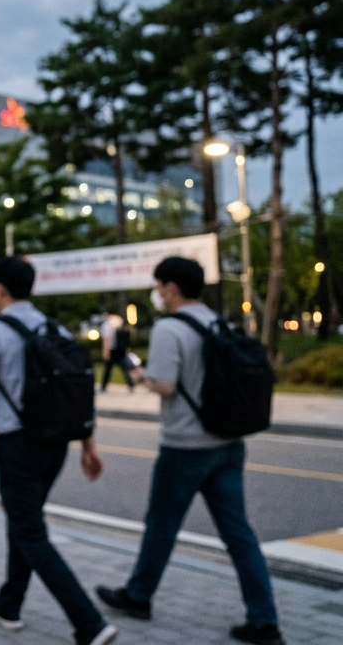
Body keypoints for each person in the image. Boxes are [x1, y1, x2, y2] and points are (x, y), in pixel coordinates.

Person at [96, 257, 283, 645]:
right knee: (239, 534)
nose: (158, 292)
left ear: (172, 288)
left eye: (160, 285)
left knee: (162, 526)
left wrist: (139, 374)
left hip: (185, 446)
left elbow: (164, 384)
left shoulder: (170, 327)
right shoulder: (216, 321)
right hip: (228, 443)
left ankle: (138, 596)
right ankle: (265, 621)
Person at [0, 257, 117, 645]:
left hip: (18, 445)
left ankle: (89, 624)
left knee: (29, 530)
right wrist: (89, 444)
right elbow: (77, 392)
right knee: (25, 523)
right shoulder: (53, 328)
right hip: (56, 444)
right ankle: (9, 604)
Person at [99, 312, 135, 392]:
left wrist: (105, 351)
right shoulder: (115, 324)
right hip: (119, 350)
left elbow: (107, 339)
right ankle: (131, 384)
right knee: (123, 368)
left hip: (112, 350)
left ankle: (103, 386)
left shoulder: (106, 326)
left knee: (107, 369)